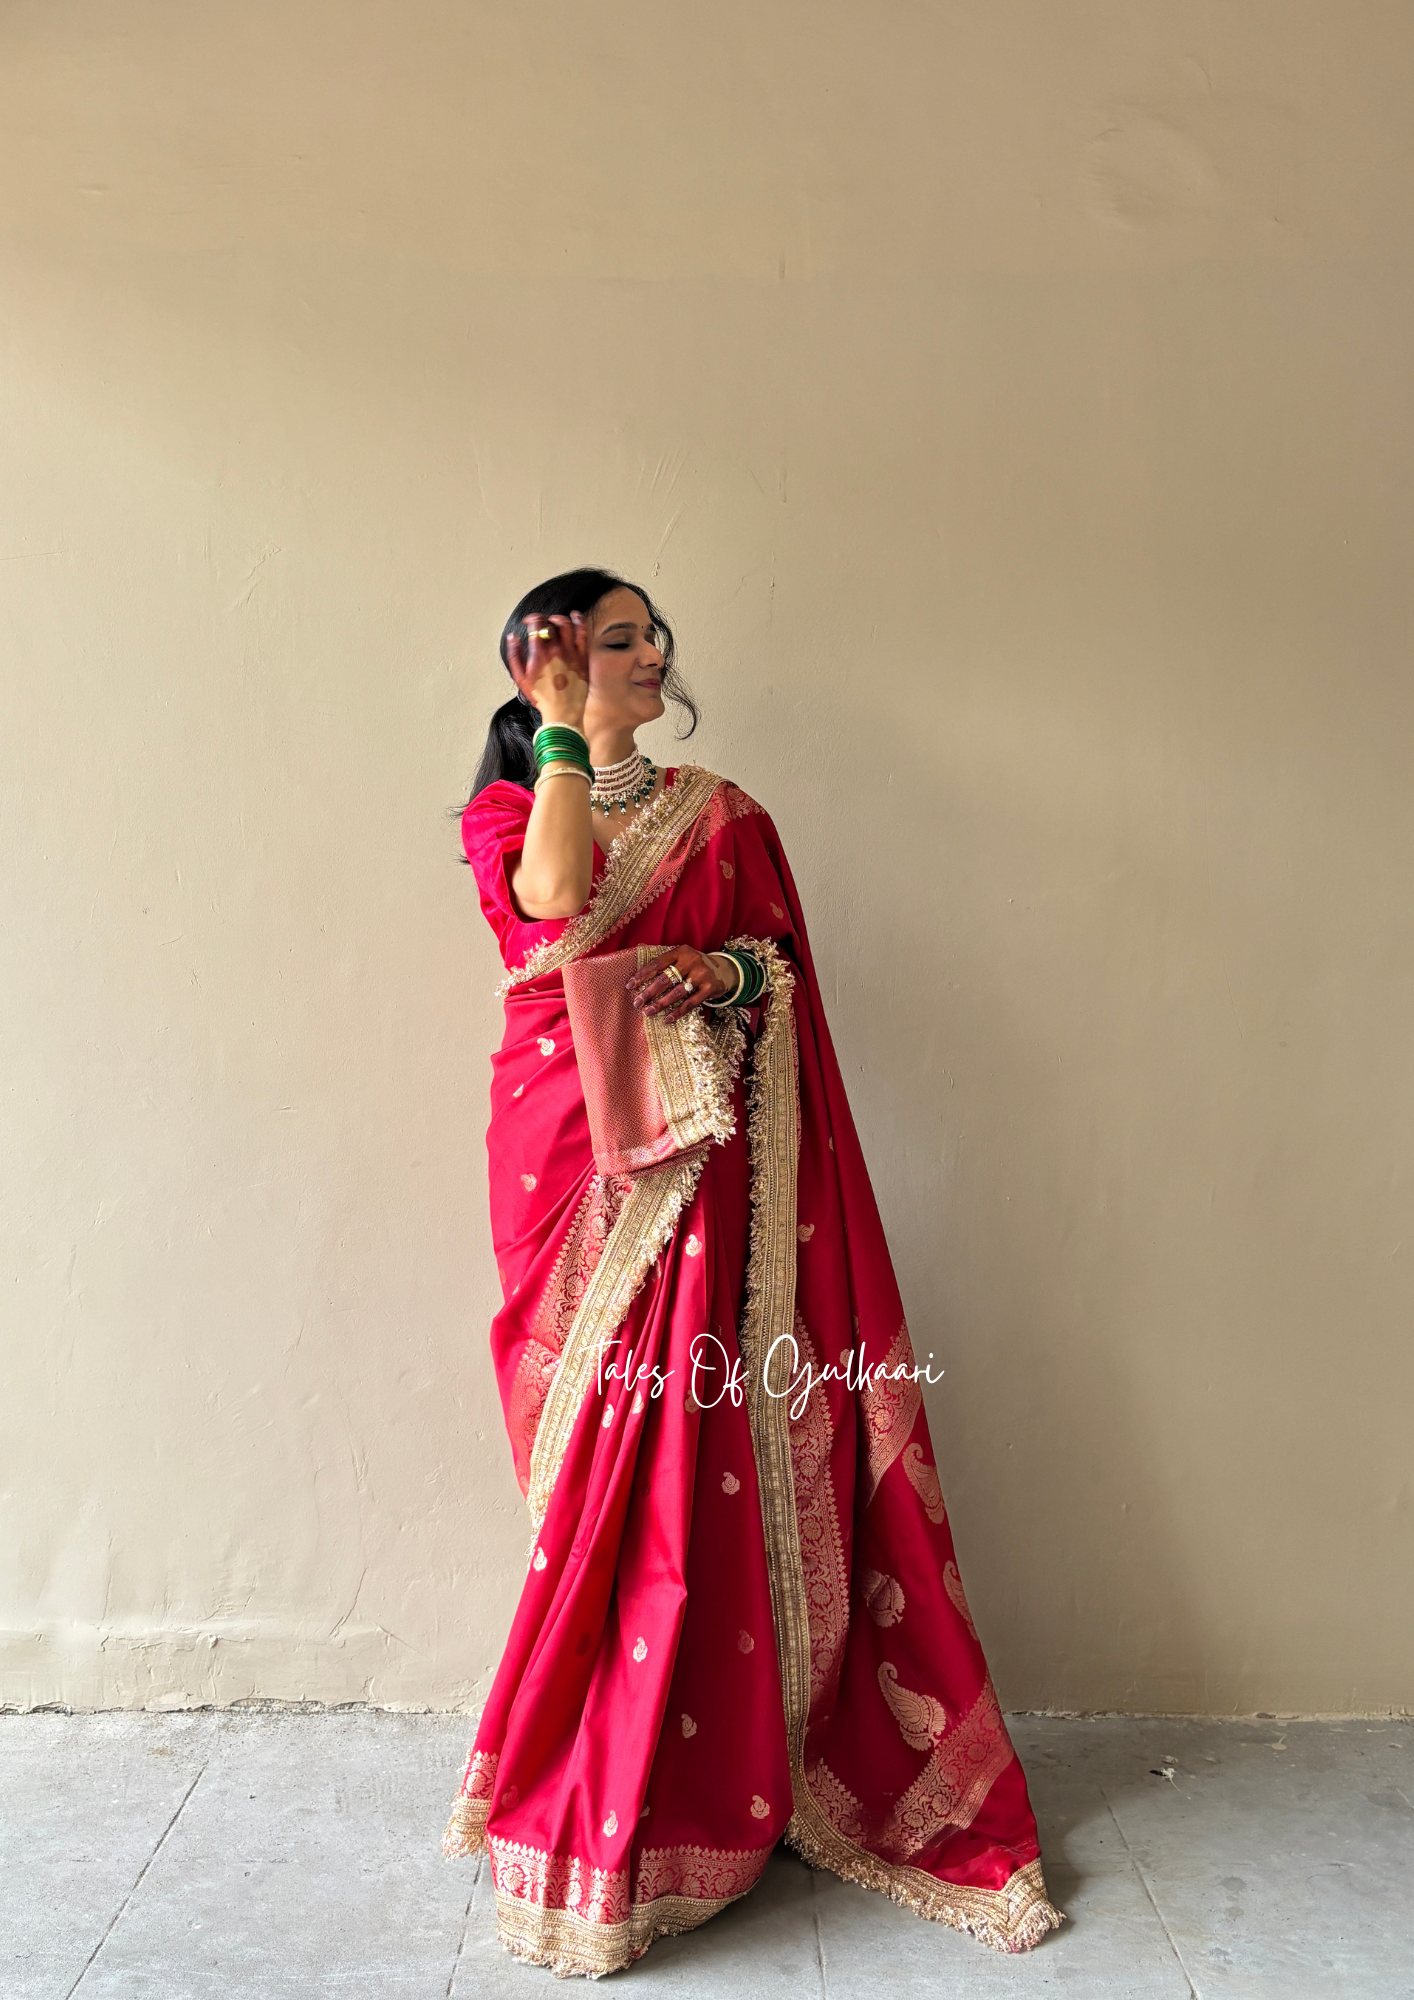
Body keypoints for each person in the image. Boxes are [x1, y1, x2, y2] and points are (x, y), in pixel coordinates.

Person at [443, 567, 1063, 1977]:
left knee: (695, 1451)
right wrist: (561, 734)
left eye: (650, 635)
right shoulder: (505, 809)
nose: (651, 653)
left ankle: (721, 1769)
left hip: (704, 1157)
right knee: (598, 1470)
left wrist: (720, 982)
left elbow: (773, 969)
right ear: (542, 664)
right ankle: (610, 1779)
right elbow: (553, 904)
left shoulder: (725, 817)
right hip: (569, 1166)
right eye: (616, 640)